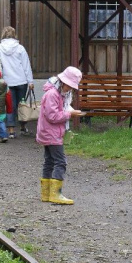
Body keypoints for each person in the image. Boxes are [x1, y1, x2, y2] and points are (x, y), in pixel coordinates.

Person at [37, 66, 84, 205]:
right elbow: (53, 116)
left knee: (50, 161)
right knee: (60, 162)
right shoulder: (52, 94)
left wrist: (70, 111)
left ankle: (46, 194)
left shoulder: (59, 93)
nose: (70, 89)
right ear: (63, 81)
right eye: (69, 85)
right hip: (51, 133)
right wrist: (70, 114)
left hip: (49, 132)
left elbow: (58, 111)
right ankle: (55, 194)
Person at [0, 26, 34, 139]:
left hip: (7, 82)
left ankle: (11, 130)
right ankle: (23, 127)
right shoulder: (20, 48)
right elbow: (26, 65)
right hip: (22, 81)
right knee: (21, 105)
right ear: (14, 35)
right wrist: (30, 81)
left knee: (10, 106)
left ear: (3, 35)